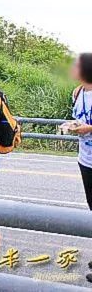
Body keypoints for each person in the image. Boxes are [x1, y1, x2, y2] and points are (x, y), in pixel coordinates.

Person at [63, 53, 92, 210]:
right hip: (85, 159)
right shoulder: (78, 93)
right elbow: (80, 119)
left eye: (76, 65)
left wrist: (89, 128)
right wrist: (73, 125)